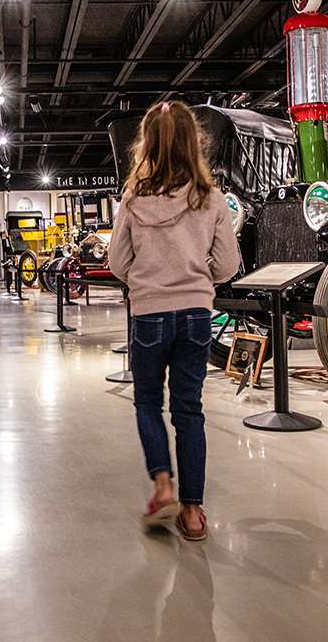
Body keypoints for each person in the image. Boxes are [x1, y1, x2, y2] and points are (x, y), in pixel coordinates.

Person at [108, 101, 242, 542]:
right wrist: (196, 278)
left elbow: (117, 262)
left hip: (148, 314)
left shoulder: (132, 199)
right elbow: (227, 265)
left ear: (146, 144)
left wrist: (147, 281)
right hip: (196, 315)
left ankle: (162, 484)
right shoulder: (212, 198)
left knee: (147, 401)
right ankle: (193, 513)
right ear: (193, 142)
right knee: (189, 409)